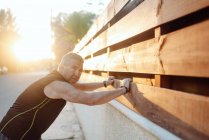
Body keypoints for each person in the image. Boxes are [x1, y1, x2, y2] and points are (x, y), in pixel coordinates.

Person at [0, 52, 132, 140]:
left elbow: (82, 87)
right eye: (73, 67)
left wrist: (105, 83)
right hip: (13, 135)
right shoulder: (57, 85)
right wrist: (124, 89)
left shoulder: (60, 80)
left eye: (80, 70)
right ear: (61, 66)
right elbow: (90, 100)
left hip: (28, 134)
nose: (77, 73)